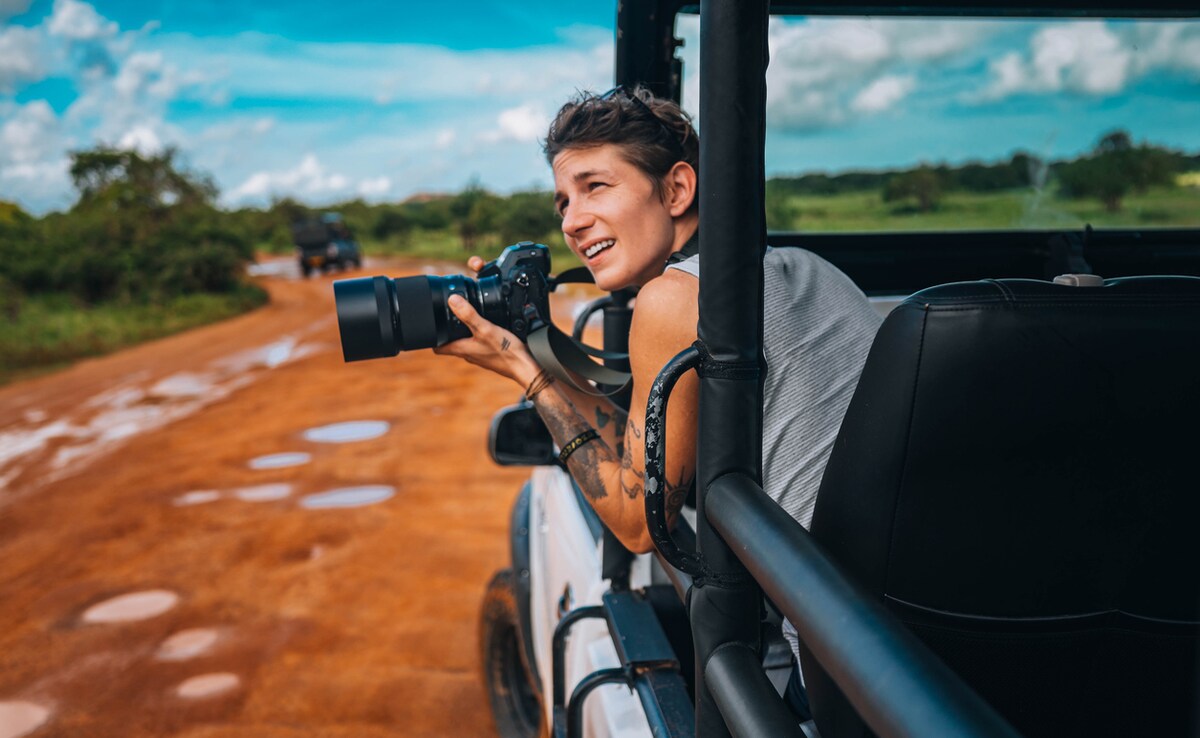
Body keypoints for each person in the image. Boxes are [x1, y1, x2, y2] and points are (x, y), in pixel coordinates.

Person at [433, 86, 882, 718]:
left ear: (676, 190)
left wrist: (531, 381)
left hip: (847, 668)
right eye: (564, 200)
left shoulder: (672, 298)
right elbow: (654, 440)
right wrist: (539, 353)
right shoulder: (798, 265)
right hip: (908, 619)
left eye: (596, 187)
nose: (570, 221)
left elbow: (641, 524)